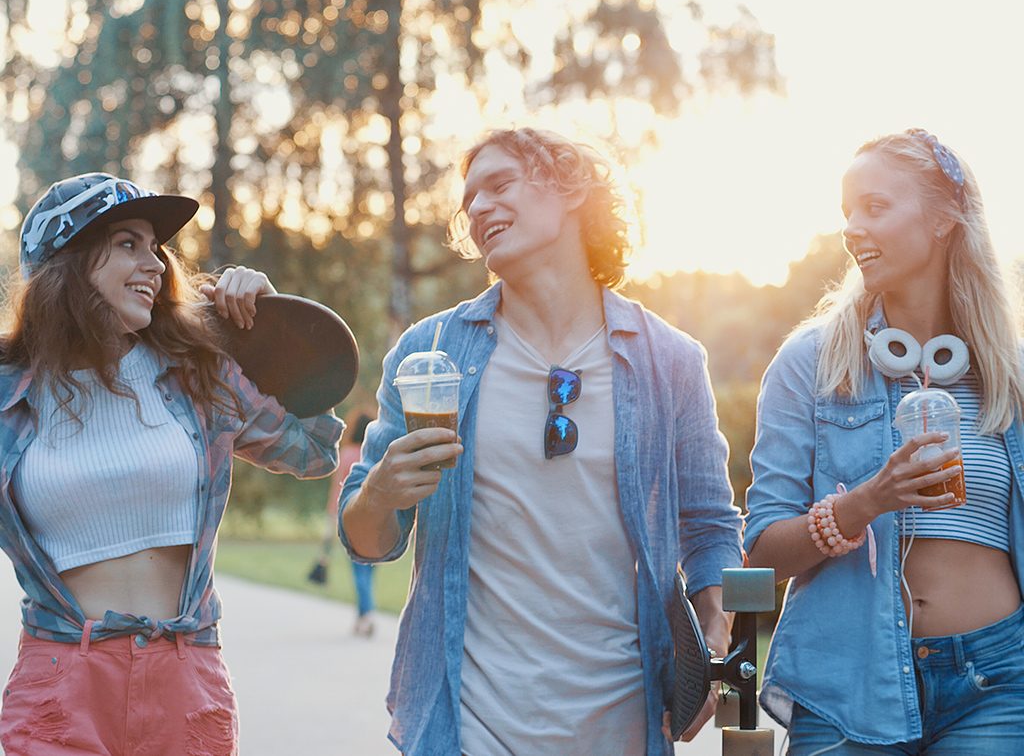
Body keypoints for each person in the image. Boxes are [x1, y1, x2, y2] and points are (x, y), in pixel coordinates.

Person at [339, 127, 743, 755]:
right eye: (467, 200)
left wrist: (715, 637)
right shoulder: (429, 355)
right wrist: (381, 493)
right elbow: (367, 541)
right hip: (471, 725)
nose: (475, 209)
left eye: (499, 184)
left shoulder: (671, 362)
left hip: (623, 723)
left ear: (573, 188)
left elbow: (711, 524)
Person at [0, 173, 344, 755]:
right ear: (68, 265)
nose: (156, 263)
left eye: (156, 248)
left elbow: (312, 451)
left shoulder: (197, 375)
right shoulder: (10, 397)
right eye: (129, 243)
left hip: (184, 680)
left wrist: (277, 328)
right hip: (62, 684)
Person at [744, 129, 1024, 754]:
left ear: (945, 219)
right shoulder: (810, 362)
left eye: (874, 207)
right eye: (846, 211)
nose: (851, 228)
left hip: (998, 680)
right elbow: (760, 558)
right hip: (846, 681)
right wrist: (866, 501)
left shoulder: (1012, 371)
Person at [308, 411, 378, 636]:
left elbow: (337, 491)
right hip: (375, 518)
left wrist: (331, 520)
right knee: (369, 570)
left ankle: (367, 615)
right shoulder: (375, 454)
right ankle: (362, 617)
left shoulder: (346, 454)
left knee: (358, 569)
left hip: (350, 516)